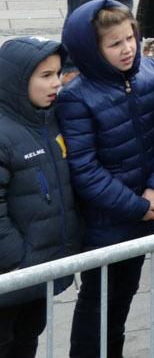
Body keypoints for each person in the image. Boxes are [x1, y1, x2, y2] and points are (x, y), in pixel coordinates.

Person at [56, 0, 154, 358]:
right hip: (108, 221)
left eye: (130, 37)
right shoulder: (75, 98)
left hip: (146, 209)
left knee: (123, 296)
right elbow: (84, 169)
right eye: (115, 44)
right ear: (92, 50)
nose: (128, 48)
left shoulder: (152, 73)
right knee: (98, 302)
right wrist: (137, 206)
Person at [0, 36, 78, 357]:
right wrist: (20, 261)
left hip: (40, 268)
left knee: (28, 337)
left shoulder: (50, 119)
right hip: (15, 273)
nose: (56, 84)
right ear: (18, 82)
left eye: (58, 74)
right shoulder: (6, 135)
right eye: (45, 76)